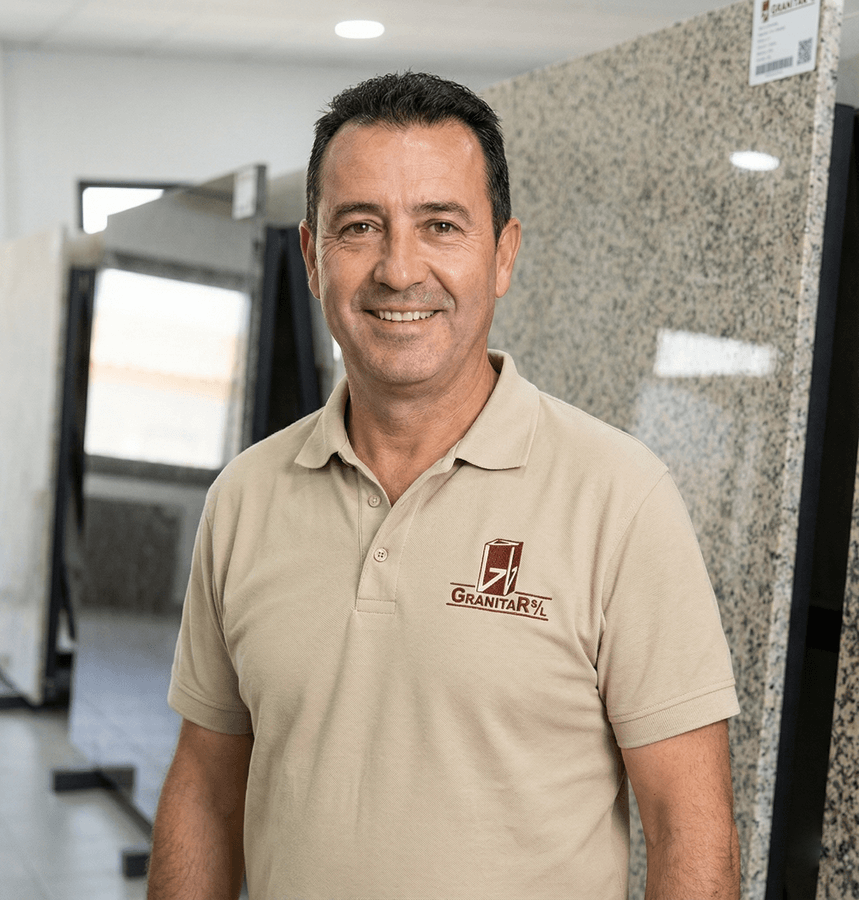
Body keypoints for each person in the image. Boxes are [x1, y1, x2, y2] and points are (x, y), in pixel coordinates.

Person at [147, 72, 741, 900]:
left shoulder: (620, 499)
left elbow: (691, 830)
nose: (399, 270)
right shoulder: (245, 498)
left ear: (503, 256)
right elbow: (207, 790)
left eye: (441, 226)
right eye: (361, 227)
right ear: (312, 257)